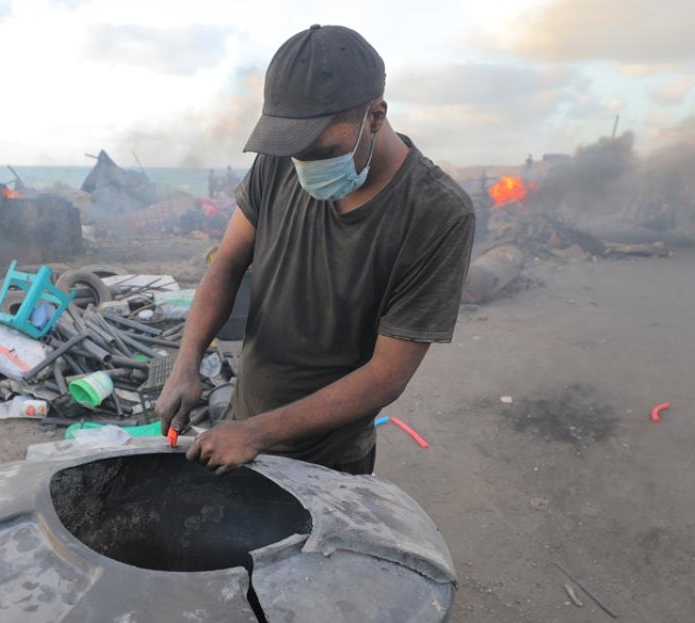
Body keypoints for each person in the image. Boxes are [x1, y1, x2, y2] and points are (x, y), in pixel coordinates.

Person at [158, 25, 475, 475]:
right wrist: (187, 360)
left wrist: (258, 433)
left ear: (376, 117)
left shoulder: (437, 215)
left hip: (330, 460)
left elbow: (388, 374)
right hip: (242, 427)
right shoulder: (280, 159)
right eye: (295, 151)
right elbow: (227, 261)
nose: (304, 165)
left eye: (322, 148)